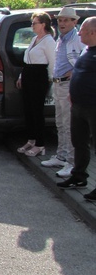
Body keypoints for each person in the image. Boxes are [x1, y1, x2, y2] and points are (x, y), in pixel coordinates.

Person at [41, 7, 86, 176]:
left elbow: (86, 61)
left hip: (69, 85)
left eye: (66, 20)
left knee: (70, 126)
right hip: (58, 84)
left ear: (75, 22)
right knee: (60, 123)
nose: (62, 23)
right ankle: (61, 156)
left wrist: (75, 72)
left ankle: (72, 162)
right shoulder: (62, 38)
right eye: (60, 20)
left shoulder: (78, 39)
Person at [57, 17, 96, 197]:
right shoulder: (86, 50)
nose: (79, 33)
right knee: (79, 142)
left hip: (92, 107)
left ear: (93, 33)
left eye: (83, 31)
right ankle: (79, 176)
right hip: (79, 105)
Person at [15, 12, 56, 157]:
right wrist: (21, 76)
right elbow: (27, 59)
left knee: (37, 111)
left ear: (43, 24)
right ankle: (31, 140)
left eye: (35, 23)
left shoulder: (49, 41)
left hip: (39, 77)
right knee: (28, 110)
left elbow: (52, 62)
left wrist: (51, 79)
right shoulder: (34, 39)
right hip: (28, 74)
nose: (32, 25)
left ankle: (40, 144)